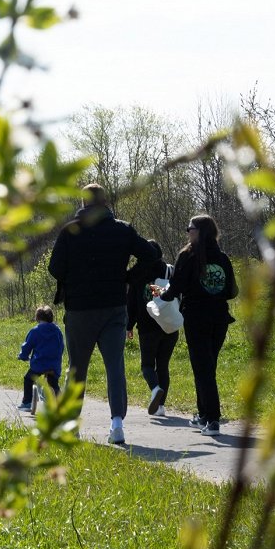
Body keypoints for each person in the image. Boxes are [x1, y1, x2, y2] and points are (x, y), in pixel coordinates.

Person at [48, 183, 159, 445]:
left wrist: (75, 279)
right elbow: (151, 255)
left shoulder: (69, 231)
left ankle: (72, 425)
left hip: (80, 309)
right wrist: (128, 277)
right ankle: (117, 424)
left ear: (84, 203)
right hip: (114, 307)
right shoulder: (122, 229)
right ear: (105, 202)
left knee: (77, 369)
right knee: (114, 366)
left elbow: (55, 268)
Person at [159, 215, 238, 437]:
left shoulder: (188, 256)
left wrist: (161, 297)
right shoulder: (222, 258)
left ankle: (213, 420)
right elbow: (231, 291)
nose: (187, 232)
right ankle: (203, 414)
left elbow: (175, 288)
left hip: (196, 317)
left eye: (190, 228)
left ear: (199, 231)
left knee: (203, 368)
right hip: (220, 317)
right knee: (206, 366)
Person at [126, 240, 179, 417]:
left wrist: (129, 325)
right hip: (169, 324)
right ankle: (161, 407)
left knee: (147, 365)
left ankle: (155, 389)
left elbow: (131, 303)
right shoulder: (169, 270)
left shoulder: (136, 273)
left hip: (147, 326)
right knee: (163, 366)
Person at [17, 305, 64, 412]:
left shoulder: (35, 331)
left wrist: (23, 356)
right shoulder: (57, 331)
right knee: (53, 383)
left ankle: (27, 402)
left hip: (40, 363)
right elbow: (61, 346)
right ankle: (60, 403)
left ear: (37, 318)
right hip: (54, 364)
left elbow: (27, 346)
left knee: (28, 379)